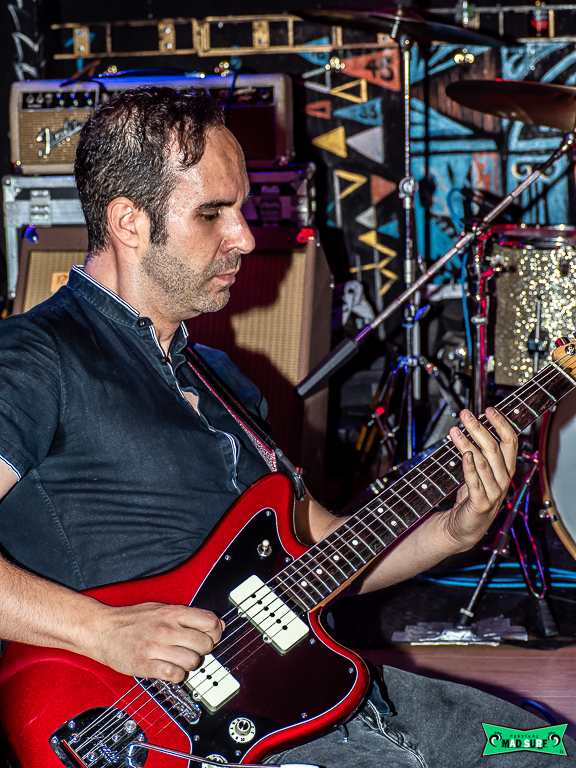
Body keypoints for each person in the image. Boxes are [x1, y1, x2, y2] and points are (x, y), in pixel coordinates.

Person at [0, 86, 572, 767]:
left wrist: (453, 531)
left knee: (551, 749)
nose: (244, 237)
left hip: (311, 698)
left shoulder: (223, 382)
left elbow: (325, 551)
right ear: (129, 221)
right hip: (137, 727)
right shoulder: (37, 356)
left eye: (239, 209)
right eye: (213, 213)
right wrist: (101, 631)